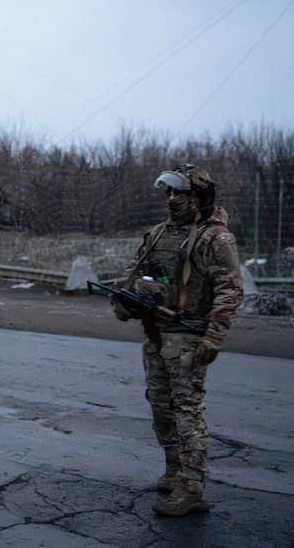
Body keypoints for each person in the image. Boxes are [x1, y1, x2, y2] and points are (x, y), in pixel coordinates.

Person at [113, 164, 242, 516]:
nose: (171, 199)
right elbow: (133, 273)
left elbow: (230, 290)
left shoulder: (215, 238)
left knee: (187, 411)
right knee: (160, 405)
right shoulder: (158, 234)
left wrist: (213, 337)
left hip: (188, 336)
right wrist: (124, 300)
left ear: (197, 197)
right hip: (156, 334)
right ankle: (174, 470)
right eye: (168, 193)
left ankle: (192, 487)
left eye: (178, 193)